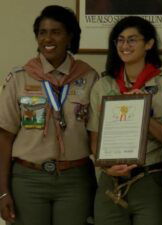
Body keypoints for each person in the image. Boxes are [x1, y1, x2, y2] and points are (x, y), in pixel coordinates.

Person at [0, 5, 98, 225]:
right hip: (28, 179)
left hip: (74, 180)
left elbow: (96, 135)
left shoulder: (89, 77)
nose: (48, 38)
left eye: (56, 32)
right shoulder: (20, 78)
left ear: (69, 36)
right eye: (42, 32)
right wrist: (2, 191)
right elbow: (4, 137)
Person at [87, 16, 162, 225]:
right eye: (120, 40)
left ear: (149, 44)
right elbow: (94, 137)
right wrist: (105, 167)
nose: (125, 45)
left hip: (150, 177)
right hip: (110, 179)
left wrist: (142, 112)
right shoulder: (103, 85)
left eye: (132, 40)